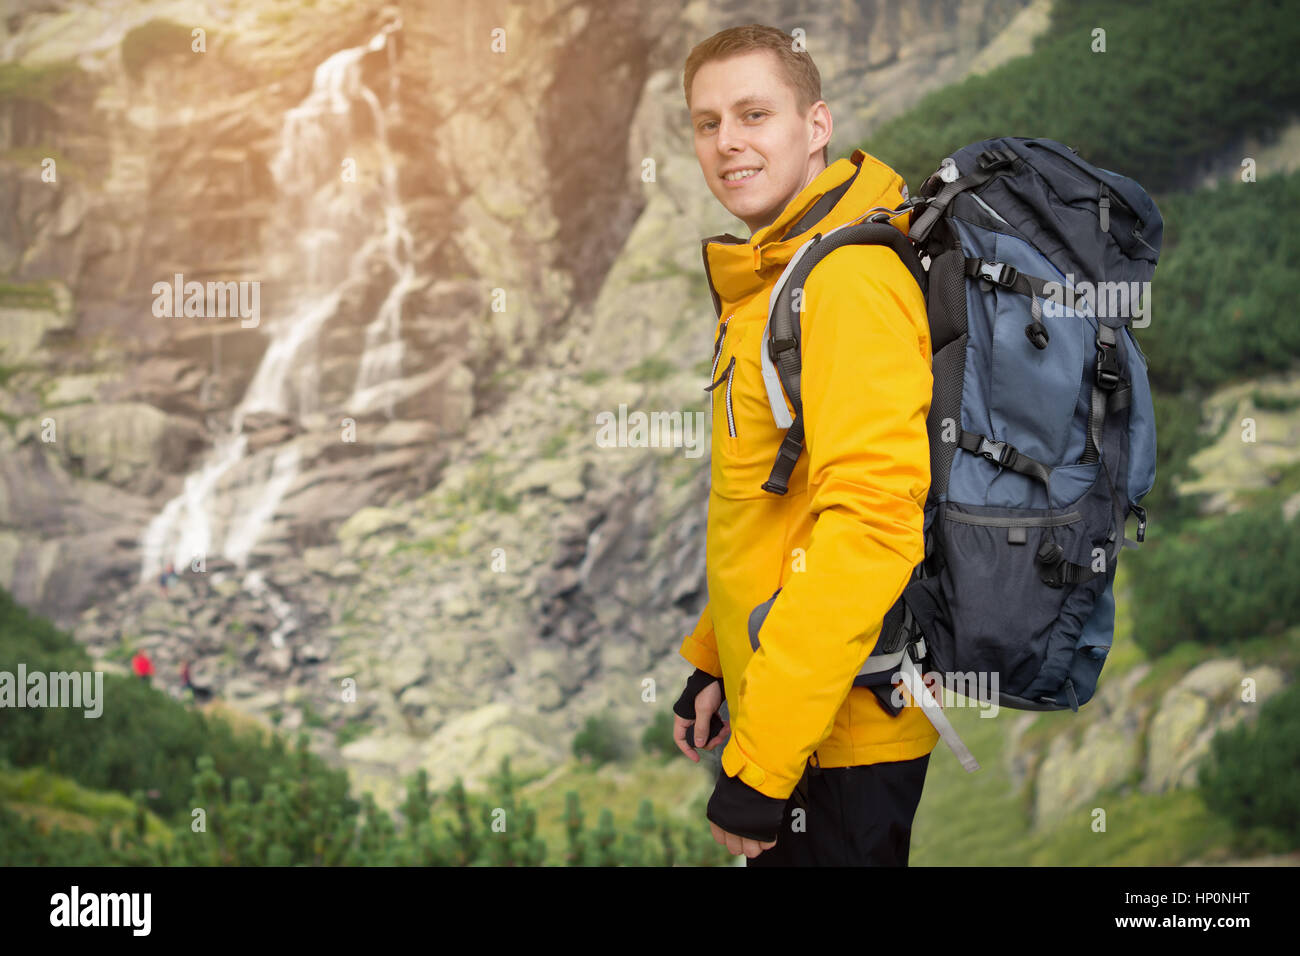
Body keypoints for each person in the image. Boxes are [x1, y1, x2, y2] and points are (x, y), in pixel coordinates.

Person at [672, 24, 937, 866]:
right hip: (797, 718)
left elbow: (870, 528)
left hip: (838, 742)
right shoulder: (772, 278)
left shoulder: (849, 282)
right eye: (707, 123)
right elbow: (768, 505)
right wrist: (717, 660)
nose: (728, 142)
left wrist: (763, 763)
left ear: (816, 124)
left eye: (754, 114)